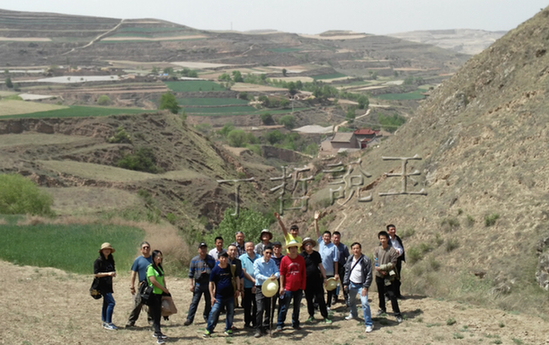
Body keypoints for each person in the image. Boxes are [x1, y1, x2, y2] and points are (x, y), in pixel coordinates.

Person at [204, 251, 237, 337]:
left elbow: (235, 278)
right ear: (218, 259)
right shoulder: (215, 270)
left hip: (230, 295)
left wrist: (237, 289)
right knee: (214, 312)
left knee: (230, 313)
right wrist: (212, 296)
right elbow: (210, 283)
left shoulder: (230, 268)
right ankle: (209, 329)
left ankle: (228, 328)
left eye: (225, 258)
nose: (224, 259)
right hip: (219, 296)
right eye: (222, 258)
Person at [343, 242, 373, 333]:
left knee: (364, 303)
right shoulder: (349, 258)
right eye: (354, 248)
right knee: (351, 301)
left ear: (360, 249)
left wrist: (365, 287)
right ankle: (353, 314)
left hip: (361, 286)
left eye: (357, 248)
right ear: (352, 250)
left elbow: (369, 275)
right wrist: (345, 283)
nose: (356, 250)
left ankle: (368, 324)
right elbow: (347, 271)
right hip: (352, 284)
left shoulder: (366, 260)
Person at [276, 240, 306, 331]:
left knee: (297, 307)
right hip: (287, 287)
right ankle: (280, 324)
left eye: (295, 248)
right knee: (284, 307)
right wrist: (281, 287)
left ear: (297, 249)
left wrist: (303, 286)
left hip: (298, 287)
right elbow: (282, 274)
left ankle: (295, 323)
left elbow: (303, 273)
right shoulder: (284, 259)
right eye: (291, 248)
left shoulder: (301, 259)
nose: (293, 250)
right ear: (288, 250)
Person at [300, 237, 331, 324]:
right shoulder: (301, 256)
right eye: (306, 244)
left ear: (312, 245)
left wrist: (325, 277)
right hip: (306, 280)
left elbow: (321, 266)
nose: (309, 246)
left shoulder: (316, 254)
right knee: (309, 299)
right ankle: (311, 315)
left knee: (320, 298)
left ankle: (325, 316)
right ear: (304, 246)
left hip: (317, 280)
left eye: (310, 244)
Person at [374, 231, 403, 323]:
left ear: (387, 239)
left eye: (384, 238)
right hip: (379, 275)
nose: (383, 240)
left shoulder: (392, 250)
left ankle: (397, 313)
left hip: (389, 276)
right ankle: (382, 308)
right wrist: (379, 270)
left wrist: (382, 268)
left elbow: (393, 263)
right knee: (380, 293)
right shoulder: (377, 250)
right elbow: (375, 261)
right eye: (381, 238)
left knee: (392, 295)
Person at [184, 242, 216, 326]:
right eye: (201, 248)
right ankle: (189, 319)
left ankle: (207, 316)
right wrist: (191, 284)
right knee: (194, 302)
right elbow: (191, 273)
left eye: (204, 248)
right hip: (198, 284)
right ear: (198, 250)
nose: (203, 250)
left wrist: (214, 285)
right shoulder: (194, 260)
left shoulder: (211, 259)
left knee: (208, 302)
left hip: (208, 284)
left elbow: (215, 273)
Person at [313, 211, 339, 310]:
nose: (326, 238)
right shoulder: (321, 243)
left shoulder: (334, 247)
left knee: (329, 289)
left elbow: (335, 261)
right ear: (323, 238)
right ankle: (316, 305)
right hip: (319, 270)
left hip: (329, 271)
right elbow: (317, 231)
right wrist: (316, 220)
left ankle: (328, 305)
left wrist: (336, 273)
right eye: (325, 237)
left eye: (328, 237)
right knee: (318, 288)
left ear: (330, 238)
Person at [253, 243, 279, 337]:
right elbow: (257, 275)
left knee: (269, 308)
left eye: (270, 253)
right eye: (267, 252)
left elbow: (277, 272)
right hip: (260, 287)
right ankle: (258, 328)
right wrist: (268, 278)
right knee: (260, 309)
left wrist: (275, 276)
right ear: (263, 252)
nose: (268, 255)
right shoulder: (257, 262)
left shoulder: (272, 262)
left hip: (270, 287)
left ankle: (267, 327)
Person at [126, 241, 153, 328]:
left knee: (152, 304)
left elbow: (160, 272)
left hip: (153, 285)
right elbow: (133, 274)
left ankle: (151, 320)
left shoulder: (154, 259)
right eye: (144, 247)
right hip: (142, 285)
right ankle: (131, 321)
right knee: (138, 303)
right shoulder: (137, 260)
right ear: (141, 250)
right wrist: (132, 286)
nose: (146, 249)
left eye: (147, 247)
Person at [147, 250, 170, 344]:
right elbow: (153, 281)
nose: (159, 258)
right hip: (153, 294)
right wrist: (163, 289)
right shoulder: (150, 268)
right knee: (156, 314)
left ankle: (158, 332)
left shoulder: (159, 268)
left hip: (160, 293)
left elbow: (162, 279)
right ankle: (158, 334)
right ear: (153, 258)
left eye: (160, 256)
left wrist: (165, 289)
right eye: (157, 256)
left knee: (158, 313)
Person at [94, 242, 118, 330]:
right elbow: (96, 274)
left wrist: (113, 273)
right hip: (101, 285)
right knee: (112, 302)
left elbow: (113, 270)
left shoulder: (111, 260)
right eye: (105, 249)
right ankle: (108, 322)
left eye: (108, 249)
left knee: (106, 303)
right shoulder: (98, 261)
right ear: (102, 251)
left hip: (108, 284)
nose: (107, 251)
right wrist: (108, 274)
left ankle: (104, 321)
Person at [239, 241, 258, 329]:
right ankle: (247, 322)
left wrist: (255, 282)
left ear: (253, 247)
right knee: (247, 305)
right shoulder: (241, 258)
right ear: (245, 248)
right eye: (247, 247)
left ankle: (255, 321)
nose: (249, 248)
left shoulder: (259, 257)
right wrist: (252, 280)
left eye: (251, 246)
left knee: (256, 305)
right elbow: (243, 271)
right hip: (246, 285)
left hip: (257, 285)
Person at [386, 224, 405, 299]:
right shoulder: (386, 239)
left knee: (397, 277)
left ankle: (397, 294)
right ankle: (388, 295)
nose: (393, 231)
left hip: (398, 260)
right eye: (391, 230)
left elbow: (401, 248)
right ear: (388, 231)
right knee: (389, 278)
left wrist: (399, 252)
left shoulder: (397, 239)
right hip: (389, 261)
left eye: (394, 229)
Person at [332, 231, 350, 306]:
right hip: (332, 267)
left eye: (338, 238)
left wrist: (346, 266)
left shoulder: (344, 247)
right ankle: (334, 297)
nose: (336, 239)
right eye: (335, 237)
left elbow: (348, 258)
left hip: (342, 267)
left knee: (344, 283)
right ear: (332, 238)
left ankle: (346, 298)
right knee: (333, 284)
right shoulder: (330, 246)